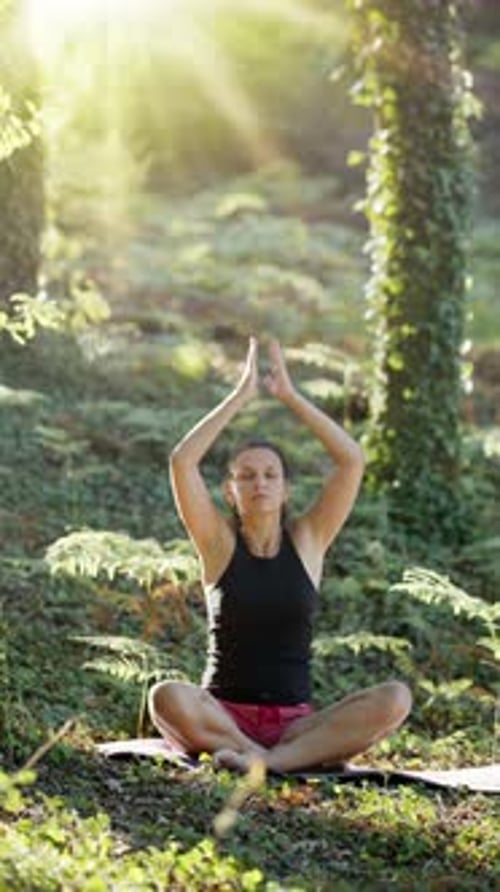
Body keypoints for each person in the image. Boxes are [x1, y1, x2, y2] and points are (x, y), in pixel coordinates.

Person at [149, 337, 412, 772]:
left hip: (295, 726)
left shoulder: (309, 540)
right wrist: (241, 395)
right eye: (246, 476)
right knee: (166, 696)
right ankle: (271, 760)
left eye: (271, 474)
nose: (260, 483)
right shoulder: (217, 543)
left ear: (286, 487)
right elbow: (182, 462)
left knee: (395, 698)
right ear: (230, 492)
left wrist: (290, 396)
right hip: (222, 717)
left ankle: (265, 762)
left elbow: (351, 461)